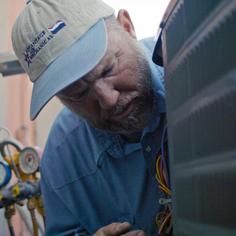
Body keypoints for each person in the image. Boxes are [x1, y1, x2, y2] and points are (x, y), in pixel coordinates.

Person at [12, 0, 167, 235]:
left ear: (127, 27)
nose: (109, 100)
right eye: (78, 93)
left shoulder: (200, 69)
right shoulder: (62, 157)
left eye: (108, 69)